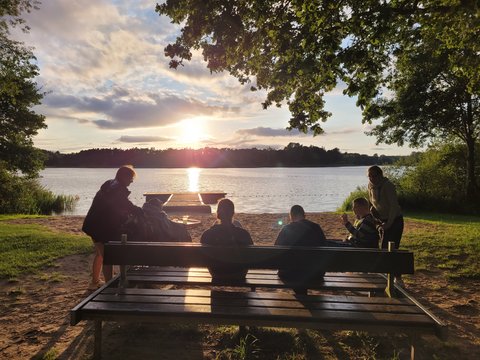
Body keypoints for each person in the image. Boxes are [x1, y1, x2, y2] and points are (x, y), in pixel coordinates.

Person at [82, 165, 143, 289]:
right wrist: (142, 212)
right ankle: (109, 286)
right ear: (123, 177)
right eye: (131, 178)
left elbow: (116, 208)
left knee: (101, 254)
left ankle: (94, 282)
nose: (132, 181)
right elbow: (127, 206)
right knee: (107, 257)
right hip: (99, 227)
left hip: (92, 224)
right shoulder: (118, 190)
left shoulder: (110, 185)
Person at [274, 205, 327, 294]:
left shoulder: (286, 229)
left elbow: (276, 248)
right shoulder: (316, 227)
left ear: (291, 216)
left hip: (289, 274)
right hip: (315, 274)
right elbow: (324, 247)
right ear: (304, 215)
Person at [200, 198, 253, 281]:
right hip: (239, 273)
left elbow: (203, 258)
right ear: (233, 213)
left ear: (218, 214)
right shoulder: (244, 234)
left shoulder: (207, 234)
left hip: (217, 273)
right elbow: (251, 256)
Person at [367, 165, 404, 249]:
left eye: (374, 176)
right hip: (381, 220)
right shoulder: (370, 185)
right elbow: (370, 202)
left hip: (395, 220)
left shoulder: (388, 185)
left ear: (380, 175)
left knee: (390, 248)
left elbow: (393, 206)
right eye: (369, 176)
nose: (371, 178)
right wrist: (370, 215)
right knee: (383, 246)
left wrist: (389, 224)